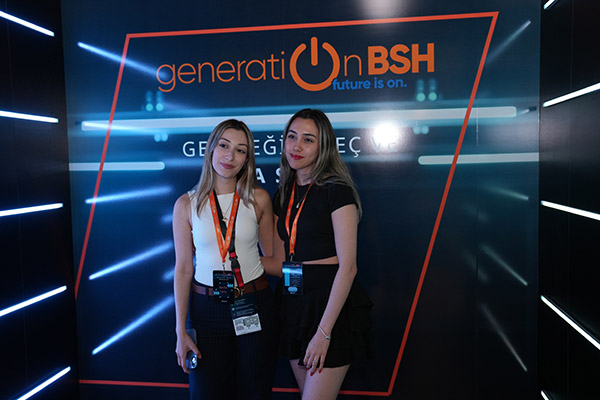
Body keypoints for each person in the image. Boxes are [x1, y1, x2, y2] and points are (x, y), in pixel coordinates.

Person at [265, 109, 373, 399]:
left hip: (328, 306)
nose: (296, 146)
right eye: (292, 137)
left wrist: (324, 333)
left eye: (308, 139)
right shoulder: (283, 194)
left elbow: (348, 268)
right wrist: (229, 261)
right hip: (293, 303)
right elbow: (277, 262)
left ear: (323, 146)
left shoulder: (337, 191)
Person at [172, 119, 278, 399]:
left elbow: (273, 258)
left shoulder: (258, 198)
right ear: (210, 149)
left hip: (252, 303)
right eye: (224, 145)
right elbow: (183, 269)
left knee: (255, 393)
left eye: (240, 150)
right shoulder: (186, 204)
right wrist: (181, 330)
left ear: (247, 159)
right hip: (206, 311)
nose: (230, 156)